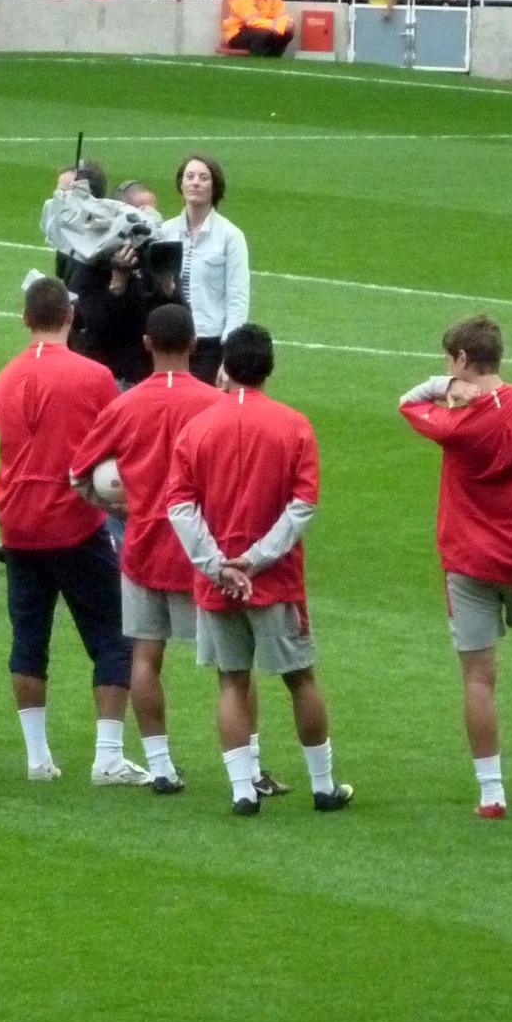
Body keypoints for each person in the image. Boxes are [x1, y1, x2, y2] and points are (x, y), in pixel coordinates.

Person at [166, 323, 352, 817]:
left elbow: (180, 507)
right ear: (270, 367)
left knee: (231, 680)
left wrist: (218, 566)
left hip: (217, 583)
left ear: (225, 366)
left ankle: (242, 791)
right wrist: (256, 559)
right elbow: (303, 506)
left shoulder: (197, 428)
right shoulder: (294, 426)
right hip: (276, 581)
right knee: (300, 679)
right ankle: (323, 786)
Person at [398, 316, 512, 819]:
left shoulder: (457, 424)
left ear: (460, 359)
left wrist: (447, 389)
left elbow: (408, 402)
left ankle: (492, 795)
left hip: (468, 563)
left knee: (478, 678)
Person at [0, 277, 145, 785]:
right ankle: (107, 757)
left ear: (24, 319)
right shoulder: (94, 376)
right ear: (71, 317)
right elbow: (111, 449)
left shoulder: (6, 375)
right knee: (112, 637)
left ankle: (38, 759)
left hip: (18, 524)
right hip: (74, 522)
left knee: (29, 639)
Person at [68, 304, 225, 792]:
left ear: (146, 345)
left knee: (145, 657)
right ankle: (249, 768)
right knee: (231, 667)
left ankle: (160, 767)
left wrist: (117, 509)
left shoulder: (124, 404)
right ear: (195, 344)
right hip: (203, 552)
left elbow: (78, 473)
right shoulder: (215, 404)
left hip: (144, 549)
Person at [157, 154, 248, 383]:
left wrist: (229, 358)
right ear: (181, 184)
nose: (195, 182)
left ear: (214, 187)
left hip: (209, 345)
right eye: (190, 176)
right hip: (171, 342)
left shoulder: (230, 236)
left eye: (203, 178)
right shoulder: (165, 231)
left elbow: (237, 299)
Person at [219, 0, 293, 56]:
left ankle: (272, 59)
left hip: (261, 30)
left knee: (287, 33)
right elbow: (251, 21)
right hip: (237, 33)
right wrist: (276, 25)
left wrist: (288, 23)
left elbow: (283, 16)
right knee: (263, 33)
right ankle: (256, 60)